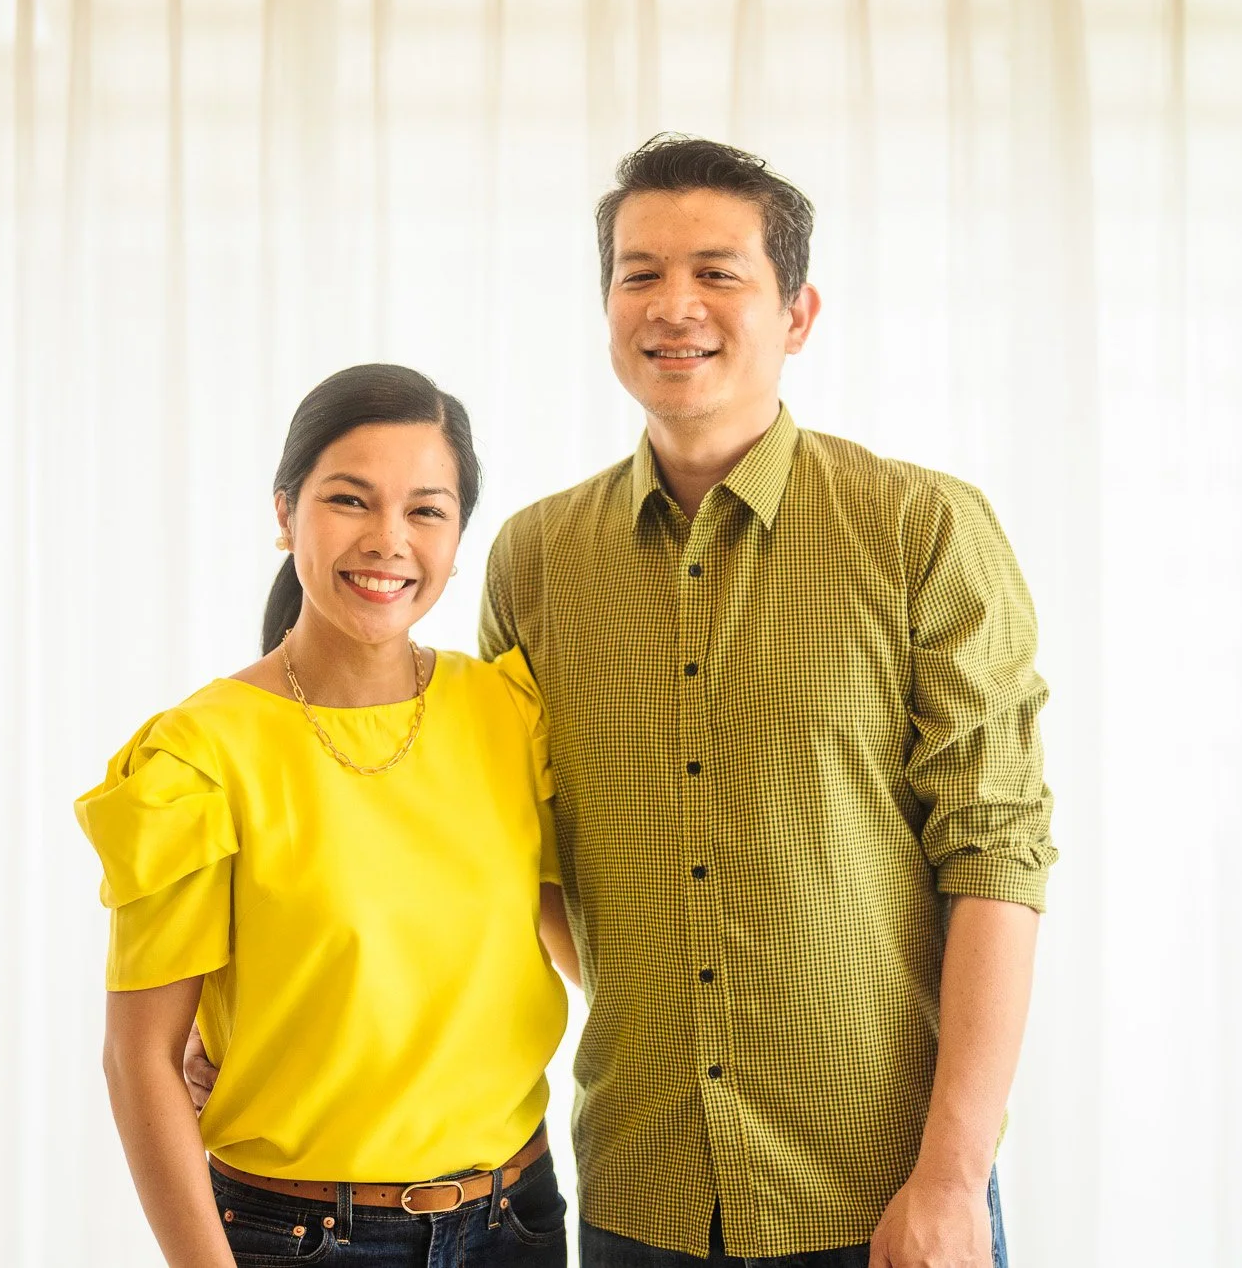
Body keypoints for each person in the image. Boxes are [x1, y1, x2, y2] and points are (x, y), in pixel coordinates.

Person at [192, 135, 1057, 1268]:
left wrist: (950, 1172)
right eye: (638, 273)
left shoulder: (920, 529)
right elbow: (495, 851)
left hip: (880, 1189)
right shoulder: (539, 557)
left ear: (796, 314)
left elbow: (996, 856)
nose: (672, 305)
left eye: (717, 272)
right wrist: (248, 1009)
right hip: (640, 1193)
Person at [78, 363, 581, 1268]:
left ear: (458, 537)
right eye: (350, 499)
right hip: (301, 1239)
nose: (388, 540)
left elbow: (580, 944)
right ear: (285, 513)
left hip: (517, 1220)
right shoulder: (197, 755)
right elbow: (140, 1059)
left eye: (426, 510)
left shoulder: (509, 714)